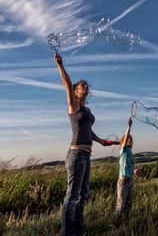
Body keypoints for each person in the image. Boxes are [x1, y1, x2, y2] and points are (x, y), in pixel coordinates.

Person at [54, 53, 115, 236]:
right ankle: (66, 233)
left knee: (83, 195)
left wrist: (100, 140)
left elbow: (88, 130)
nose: (85, 86)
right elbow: (66, 84)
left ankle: (78, 231)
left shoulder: (87, 110)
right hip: (76, 155)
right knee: (72, 196)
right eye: (81, 85)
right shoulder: (74, 106)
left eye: (86, 84)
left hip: (86, 156)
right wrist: (60, 65)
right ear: (75, 91)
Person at [115, 117, 136, 223]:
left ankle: (126, 223)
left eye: (130, 139)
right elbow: (126, 136)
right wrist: (129, 126)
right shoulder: (123, 150)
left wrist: (135, 171)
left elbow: (129, 168)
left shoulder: (130, 153)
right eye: (127, 139)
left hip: (130, 180)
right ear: (123, 141)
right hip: (123, 182)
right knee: (121, 204)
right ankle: (116, 224)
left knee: (128, 204)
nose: (129, 140)